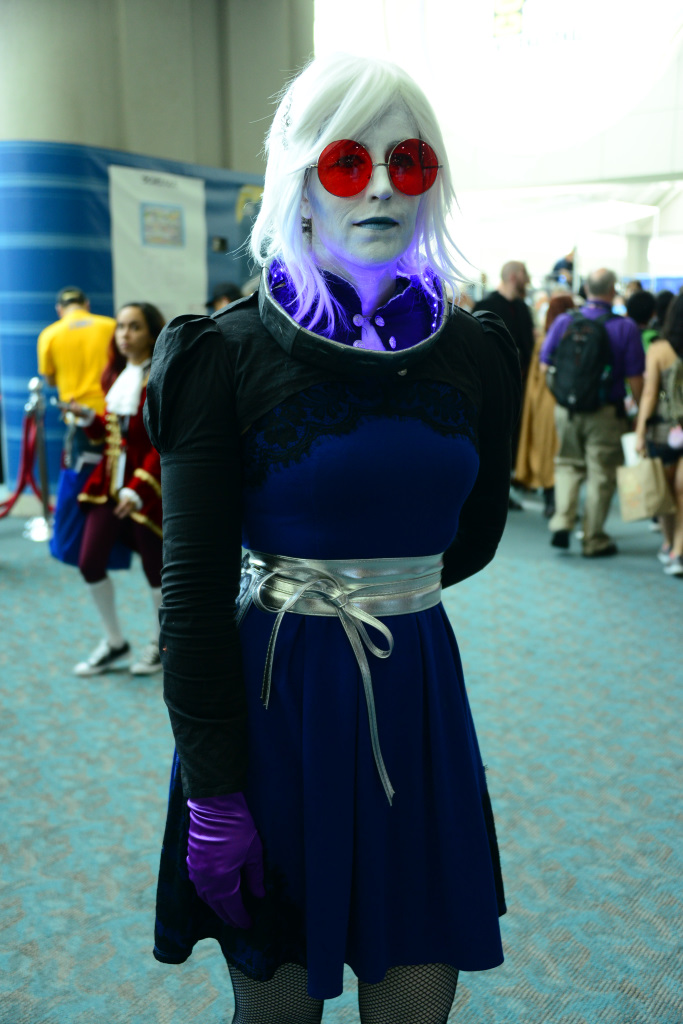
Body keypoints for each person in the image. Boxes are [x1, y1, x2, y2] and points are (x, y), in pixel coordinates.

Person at [145, 53, 520, 1024]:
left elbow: (473, 536)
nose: (382, 186)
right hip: (278, 701)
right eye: (349, 162)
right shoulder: (225, 354)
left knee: (414, 1002)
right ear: (299, 180)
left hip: (415, 693)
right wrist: (215, 792)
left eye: (409, 161)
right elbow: (190, 594)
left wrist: (379, 582)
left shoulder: (474, 352)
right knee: (276, 1009)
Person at [69, 303, 165, 676]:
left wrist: (139, 488)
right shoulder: (116, 375)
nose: (124, 334)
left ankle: (161, 643)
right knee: (90, 562)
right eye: (121, 327)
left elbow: (160, 442)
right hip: (108, 486)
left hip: (146, 488)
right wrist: (89, 419)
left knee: (155, 570)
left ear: (152, 333)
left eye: (134, 327)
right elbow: (112, 434)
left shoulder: (160, 377)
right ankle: (114, 642)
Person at [540, 268, 645, 556]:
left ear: (586, 289)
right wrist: (639, 412)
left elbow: (545, 365)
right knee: (601, 474)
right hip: (606, 413)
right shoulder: (625, 328)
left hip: (567, 409)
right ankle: (593, 539)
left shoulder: (564, 321)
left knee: (567, 464)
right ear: (613, 290)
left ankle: (562, 521)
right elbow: (636, 378)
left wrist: (562, 397)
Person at [37, 286, 129, 568]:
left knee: (85, 486)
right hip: (116, 414)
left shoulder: (50, 334)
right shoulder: (110, 326)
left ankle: (88, 543)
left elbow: (50, 379)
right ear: (86, 304)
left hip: (80, 422)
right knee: (120, 480)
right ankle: (121, 541)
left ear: (59, 309)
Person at [473, 260, 534, 509]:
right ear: (514, 277)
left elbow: (528, 345)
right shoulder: (486, 306)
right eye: (525, 274)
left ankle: (501, 491)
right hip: (489, 385)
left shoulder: (522, 308)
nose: (528, 280)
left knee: (510, 439)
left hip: (517, 385)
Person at [634, 293, 683, 576]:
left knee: (663, 494)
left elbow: (650, 393)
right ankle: (679, 551)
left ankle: (668, 543)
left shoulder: (658, 349)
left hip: (663, 430)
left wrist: (640, 432)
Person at [514, 293, 575, 517]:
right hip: (562, 401)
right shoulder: (566, 338)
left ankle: (554, 501)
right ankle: (557, 502)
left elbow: (535, 379)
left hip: (542, 403)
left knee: (548, 451)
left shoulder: (544, 339)